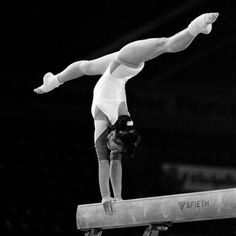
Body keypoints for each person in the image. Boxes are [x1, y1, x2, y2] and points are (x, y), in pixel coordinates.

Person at [34, 12, 219, 215]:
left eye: (115, 148)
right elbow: (111, 161)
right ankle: (196, 27)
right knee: (164, 46)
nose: (113, 150)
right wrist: (112, 196)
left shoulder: (102, 120)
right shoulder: (121, 126)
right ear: (116, 135)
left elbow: (105, 164)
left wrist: (111, 196)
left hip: (117, 69)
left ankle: (55, 81)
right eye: (116, 147)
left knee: (85, 66)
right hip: (126, 60)